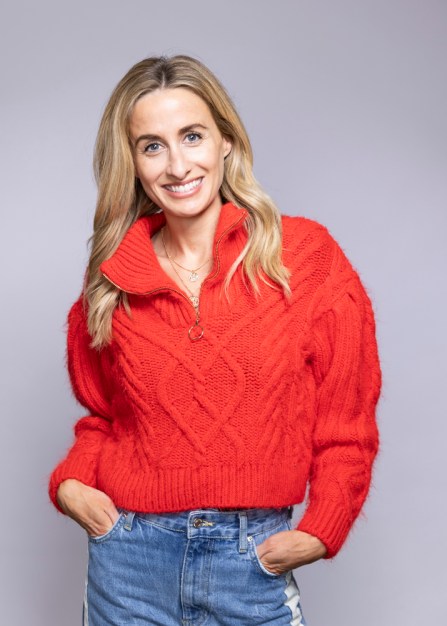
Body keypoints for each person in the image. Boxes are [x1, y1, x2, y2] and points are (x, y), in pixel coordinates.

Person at [49, 55, 381, 625]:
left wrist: (323, 527)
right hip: (129, 561)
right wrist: (72, 484)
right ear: (131, 162)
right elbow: (104, 417)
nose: (177, 164)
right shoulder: (113, 275)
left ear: (226, 141)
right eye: (152, 146)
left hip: (252, 562)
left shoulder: (304, 258)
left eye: (192, 136)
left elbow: (347, 421)